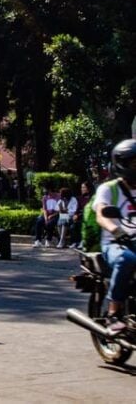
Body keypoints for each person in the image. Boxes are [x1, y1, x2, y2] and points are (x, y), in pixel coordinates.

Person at [94, 139, 136, 334]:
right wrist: (115, 230)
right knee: (127, 259)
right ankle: (113, 313)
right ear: (122, 163)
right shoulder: (108, 188)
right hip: (115, 242)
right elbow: (101, 214)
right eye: (134, 163)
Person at [73, 181, 93, 249]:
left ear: (88, 188)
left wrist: (78, 215)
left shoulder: (92, 198)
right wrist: (75, 214)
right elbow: (78, 208)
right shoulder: (79, 198)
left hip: (89, 215)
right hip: (80, 215)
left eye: (84, 187)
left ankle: (83, 241)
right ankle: (76, 242)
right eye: (82, 187)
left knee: (81, 224)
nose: (82, 189)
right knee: (74, 225)